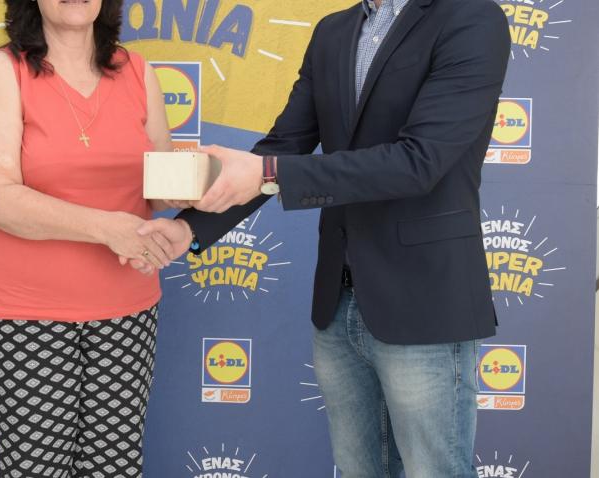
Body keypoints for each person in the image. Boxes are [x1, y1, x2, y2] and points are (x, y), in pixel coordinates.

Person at [136, 0, 511, 475]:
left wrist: (269, 172)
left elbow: (419, 163)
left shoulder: (471, 18)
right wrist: (188, 228)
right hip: (338, 304)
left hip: (425, 302)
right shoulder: (333, 30)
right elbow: (284, 146)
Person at [0, 0, 180, 476]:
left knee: (114, 467)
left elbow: (162, 186)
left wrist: (213, 178)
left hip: (128, 308)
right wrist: (107, 228)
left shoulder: (138, 71)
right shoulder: (3, 71)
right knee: (35, 468)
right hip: (23, 312)